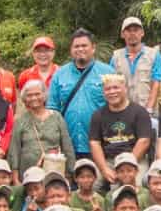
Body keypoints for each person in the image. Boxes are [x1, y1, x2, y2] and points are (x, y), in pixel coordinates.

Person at [48, 28, 114, 160]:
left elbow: (117, 106)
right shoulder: (59, 75)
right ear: (71, 50)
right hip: (68, 143)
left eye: (84, 45)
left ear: (93, 48)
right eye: (76, 46)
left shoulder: (108, 72)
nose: (80, 49)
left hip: (100, 143)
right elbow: (52, 109)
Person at [7, 78, 75, 181]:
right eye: (29, 95)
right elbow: (14, 150)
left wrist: (70, 173)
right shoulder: (20, 120)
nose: (34, 98)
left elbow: (67, 146)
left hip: (54, 170)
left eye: (37, 94)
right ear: (25, 98)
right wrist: (15, 179)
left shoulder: (57, 117)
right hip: (28, 175)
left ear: (44, 95)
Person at [89, 72, 152, 181]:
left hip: (135, 158)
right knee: (93, 182)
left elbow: (144, 141)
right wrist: (104, 169)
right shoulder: (98, 115)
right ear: (103, 92)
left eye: (116, 88)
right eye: (108, 89)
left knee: (138, 182)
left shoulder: (140, 112)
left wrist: (126, 168)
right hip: (109, 160)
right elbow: (94, 143)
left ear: (125, 89)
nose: (112, 92)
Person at [110, 16, 161, 113]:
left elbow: (156, 84)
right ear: (122, 34)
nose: (132, 33)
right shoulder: (116, 57)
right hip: (122, 112)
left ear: (142, 33)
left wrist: (149, 109)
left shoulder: (154, 55)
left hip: (148, 111)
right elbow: (111, 84)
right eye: (128, 31)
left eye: (136, 30)